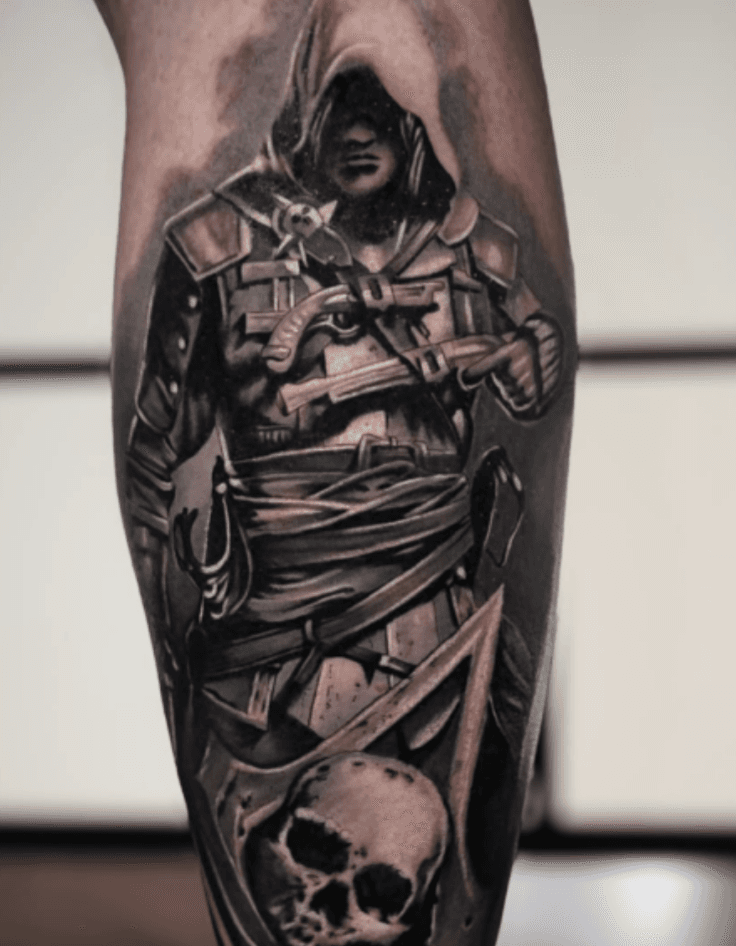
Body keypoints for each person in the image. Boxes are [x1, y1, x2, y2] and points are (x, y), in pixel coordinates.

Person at [97, 0, 575, 943]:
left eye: (376, 112)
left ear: (409, 126)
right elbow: (160, 449)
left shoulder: (474, 254)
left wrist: (528, 364)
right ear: (300, 125)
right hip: (264, 646)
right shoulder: (222, 249)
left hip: (436, 616)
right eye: (336, 113)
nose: (356, 133)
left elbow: (530, 361)